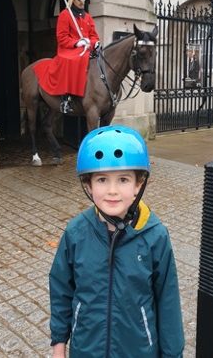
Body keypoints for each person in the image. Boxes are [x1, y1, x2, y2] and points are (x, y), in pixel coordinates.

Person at [49, 125, 185, 358]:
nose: (112, 191)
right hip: (87, 349)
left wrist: (173, 354)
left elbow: (168, 301)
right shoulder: (76, 233)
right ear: (89, 186)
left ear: (138, 185)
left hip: (138, 351)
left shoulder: (155, 236)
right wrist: (59, 344)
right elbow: (61, 289)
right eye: (102, 179)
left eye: (123, 179)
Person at [33, 0, 100, 114]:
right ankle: (66, 98)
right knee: (73, 59)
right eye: (79, 1)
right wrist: (77, 43)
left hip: (87, 48)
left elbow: (94, 35)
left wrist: (92, 42)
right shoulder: (65, 15)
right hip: (68, 49)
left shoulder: (88, 17)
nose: (81, 4)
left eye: (83, 1)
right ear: (73, 0)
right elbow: (62, 37)